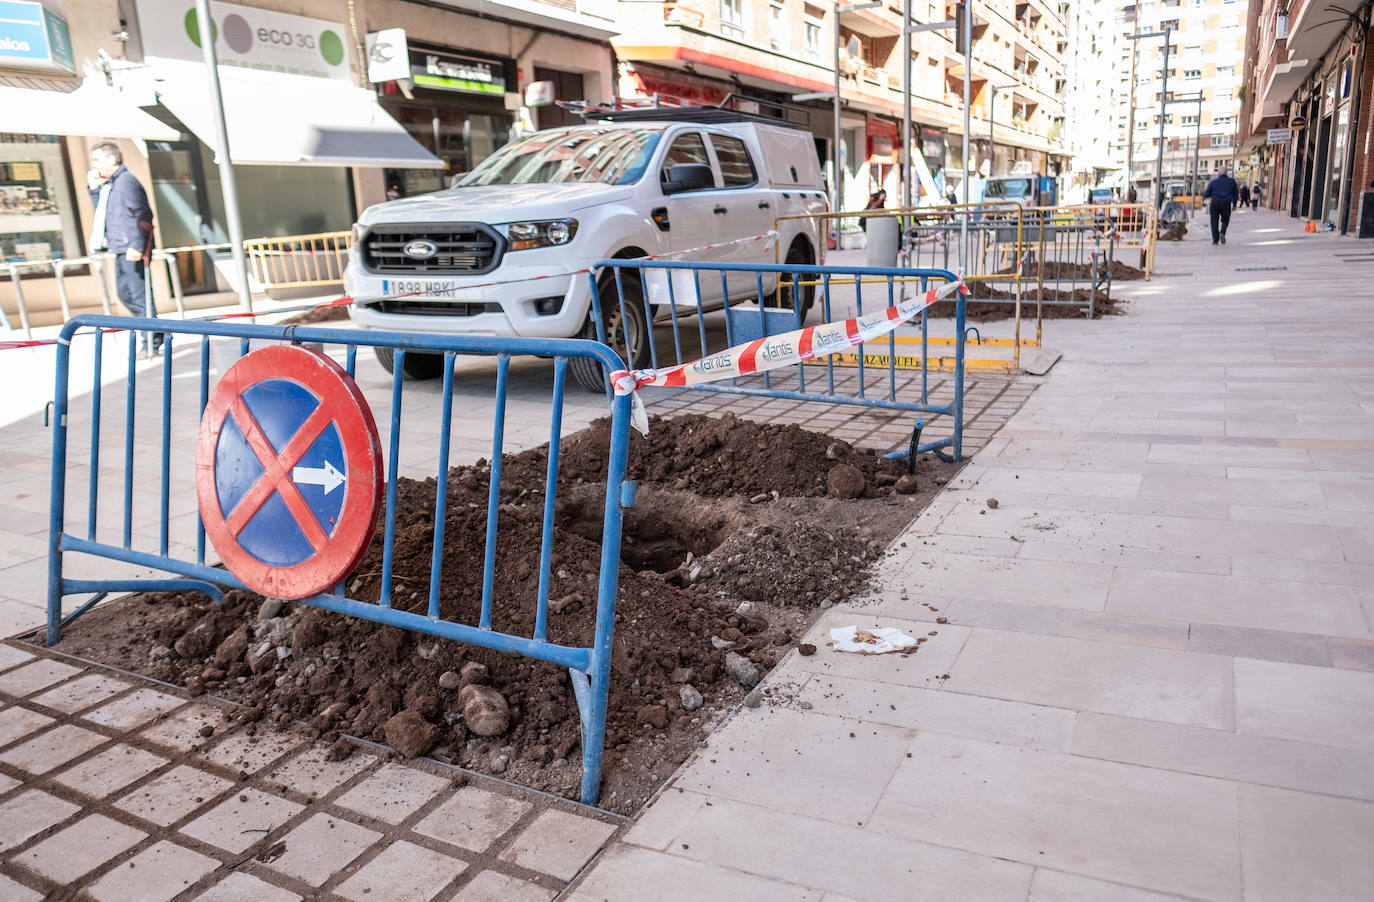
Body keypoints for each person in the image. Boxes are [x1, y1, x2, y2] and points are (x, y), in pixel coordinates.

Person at [87, 143, 159, 356]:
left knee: (138, 295)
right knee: (124, 294)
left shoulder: (126, 181)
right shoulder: (111, 185)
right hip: (119, 246)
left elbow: (143, 214)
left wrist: (136, 245)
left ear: (111, 160)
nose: (95, 165)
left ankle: (152, 340)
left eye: (97, 160)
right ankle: (155, 331)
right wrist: (93, 189)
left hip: (131, 247)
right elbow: (104, 210)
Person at [1201, 166, 1239, 246]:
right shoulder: (1231, 182)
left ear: (1219, 172)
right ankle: (1222, 232)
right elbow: (1235, 194)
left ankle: (1215, 240)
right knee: (1225, 220)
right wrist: (1234, 204)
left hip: (1215, 203)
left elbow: (1207, 194)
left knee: (1214, 222)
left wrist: (1206, 196)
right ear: (1226, 173)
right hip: (1226, 203)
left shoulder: (1213, 182)